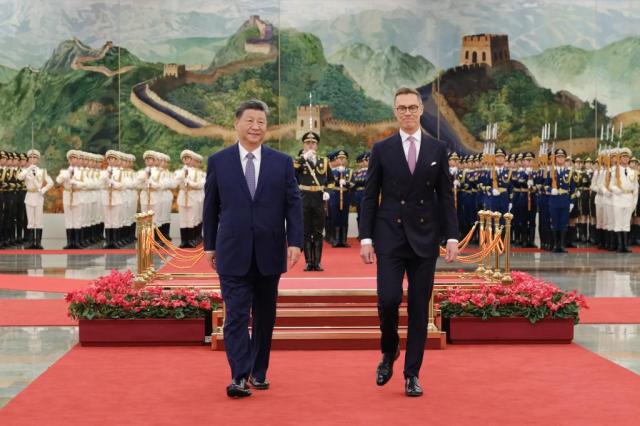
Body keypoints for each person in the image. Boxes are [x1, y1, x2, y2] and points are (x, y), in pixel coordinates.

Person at [359, 87, 459, 397]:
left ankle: (412, 373)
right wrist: (365, 237)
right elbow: (368, 195)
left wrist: (452, 235)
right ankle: (389, 351)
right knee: (388, 300)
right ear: (395, 111)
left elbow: (445, 197)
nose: (407, 113)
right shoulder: (382, 149)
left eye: (412, 107)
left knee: (418, 308)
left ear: (420, 110)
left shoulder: (437, 149)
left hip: (425, 239)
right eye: (401, 108)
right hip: (389, 236)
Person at [203, 99, 303, 398]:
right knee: (235, 314)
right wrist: (209, 245)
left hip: (270, 250)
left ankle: (259, 371)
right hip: (232, 250)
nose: (255, 127)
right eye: (250, 120)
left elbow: (293, 204)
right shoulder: (219, 161)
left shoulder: (281, 162)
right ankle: (239, 375)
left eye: (261, 121)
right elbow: (211, 206)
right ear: (237, 123)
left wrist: (295, 241)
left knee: (264, 316)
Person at [294, 131, 334, 271]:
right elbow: (292, 174)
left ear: (317, 145)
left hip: (318, 198)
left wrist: (327, 192)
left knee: (318, 231)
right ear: (303, 145)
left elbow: (331, 181)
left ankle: (317, 262)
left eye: (313, 143)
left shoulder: (324, 160)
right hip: (304, 198)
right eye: (307, 143)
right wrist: (302, 159)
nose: (310, 145)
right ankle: (308, 262)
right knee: (305, 231)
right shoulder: (298, 161)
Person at [17, 149, 53, 249]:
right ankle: (30, 242)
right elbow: (19, 177)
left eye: (35, 158)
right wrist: (28, 169)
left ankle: (38, 242)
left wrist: (44, 189)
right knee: (30, 221)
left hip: (38, 196)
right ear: (29, 159)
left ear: (38, 159)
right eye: (31, 157)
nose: (33, 159)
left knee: (39, 220)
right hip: (29, 196)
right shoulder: (25, 171)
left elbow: (51, 182)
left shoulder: (42, 171)